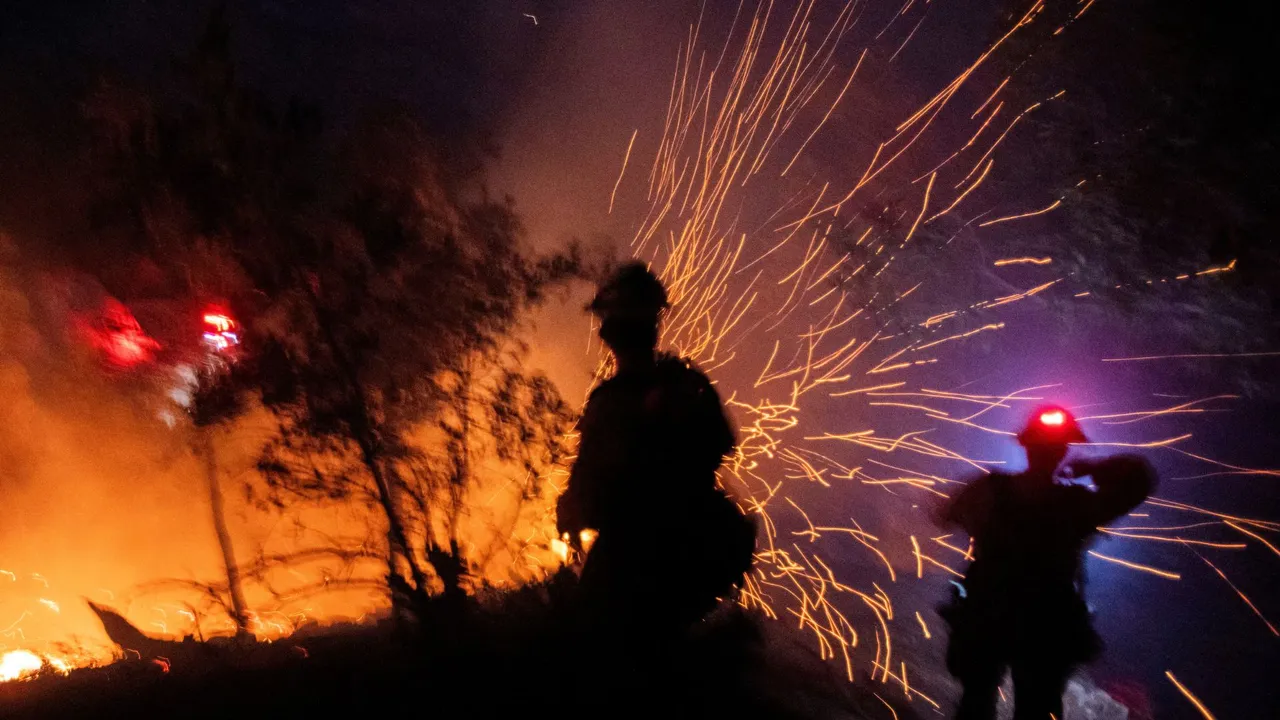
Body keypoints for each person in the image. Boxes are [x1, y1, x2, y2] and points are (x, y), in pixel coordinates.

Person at [556, 262, 755, 638]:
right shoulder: (689, 384)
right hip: (691, 563)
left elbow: (587, 489)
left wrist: (569, 517)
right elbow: (724, 443)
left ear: (609, 332)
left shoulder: (610, 402)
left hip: (630, 564)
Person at [938, 406, 1156, 720]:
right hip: (1045, 627)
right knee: (1036, 710)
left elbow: (944, 515)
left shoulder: (988, 490)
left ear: (1026, 446)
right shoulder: (1078, 504)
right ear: (1063, 451)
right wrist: (1094, 469)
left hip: (989, 617)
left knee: (976, 703)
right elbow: (1139, 479)